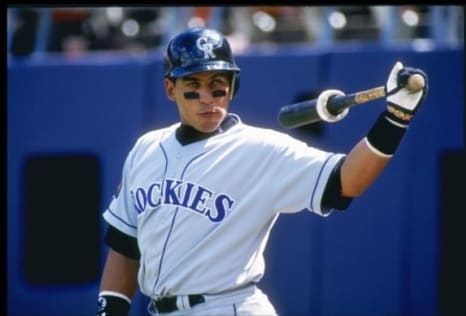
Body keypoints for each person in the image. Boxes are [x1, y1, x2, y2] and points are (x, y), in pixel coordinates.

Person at [96, 27, 428, 316]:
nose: (208, 98)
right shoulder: (146, 149)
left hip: (228, 306)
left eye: (218, 85)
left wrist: (395, 119)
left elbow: (347, 181)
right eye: (193, 86)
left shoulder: (262, 150)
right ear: (171, 89)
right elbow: (125, 247)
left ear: (233, 86)